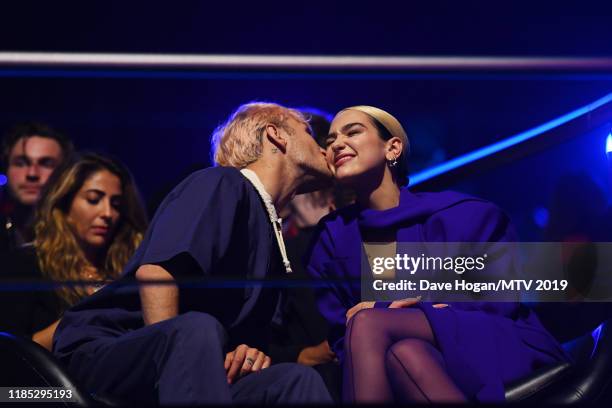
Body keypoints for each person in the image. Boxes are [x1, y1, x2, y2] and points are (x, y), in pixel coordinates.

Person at [52, 103, 334, 405]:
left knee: (295, 381)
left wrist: (245, 352)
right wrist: (176, 349)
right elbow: (156, 274)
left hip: (195, 364)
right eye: (308, 131)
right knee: (196, 327)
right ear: (276, 135)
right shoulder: (224, 183)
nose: (323, 147)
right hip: (108, 351)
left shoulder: (269, 227)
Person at [305, 105, 571, 403]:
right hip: (394, 360)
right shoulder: (332, 237)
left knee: (368, 322)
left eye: (352, 132)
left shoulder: (463, 214)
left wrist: (390, 309)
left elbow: (495, 303)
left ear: (393, 148)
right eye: (330, 141)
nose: (337, 143)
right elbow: (342, 333)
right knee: (403, 353)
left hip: (489, 343)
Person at [0, 153, 147, 350]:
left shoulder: (131, 268)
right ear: (64, 204)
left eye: (116, 204)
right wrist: (84, 316)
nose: (107, 213)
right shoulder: (25, 263)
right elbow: (12, 351)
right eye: (94, 199)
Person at [0, 122, 74, 253]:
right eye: (21, 163)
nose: (32, 174)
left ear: (66, 173)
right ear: (6, 169)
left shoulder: (82, 241)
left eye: (46, 164)